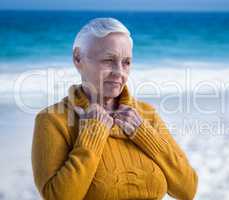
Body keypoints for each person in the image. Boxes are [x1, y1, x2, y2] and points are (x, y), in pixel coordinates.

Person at [31, 17, 198, 200]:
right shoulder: (53, 120)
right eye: (108, 60)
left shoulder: (146, 114)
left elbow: (187, 189)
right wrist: (92, 135)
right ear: (78, 58)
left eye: (126, 62)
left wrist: (144, 135)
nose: (119, 72)